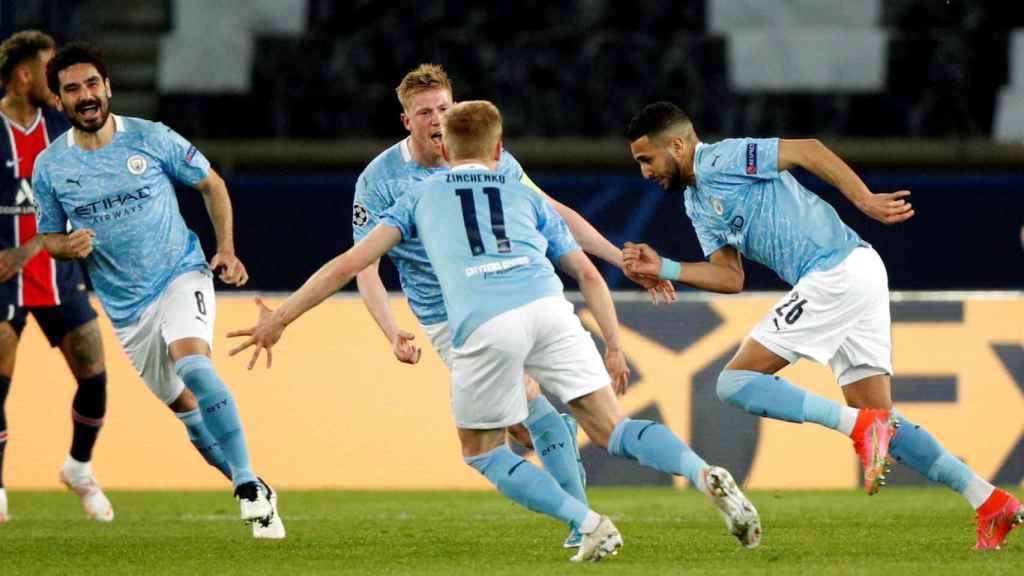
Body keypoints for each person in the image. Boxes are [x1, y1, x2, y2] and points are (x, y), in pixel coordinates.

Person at [229, 100, 761, 562]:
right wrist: (616, 338)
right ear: (499, 145)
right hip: (550, 309)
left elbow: (349, 265)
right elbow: (587, 272)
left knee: (484, 451)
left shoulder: (418, 195)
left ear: (447, 146)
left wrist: (280, 318)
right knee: (612, 429)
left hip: (485, 322)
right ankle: (700, 471)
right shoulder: (521, 190)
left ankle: (588, 523)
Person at [621, 101, 1023, 550]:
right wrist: (668, 268)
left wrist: (866, 199)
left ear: (676, 145)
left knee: (735, 382)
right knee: (882, 420)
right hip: (858, 272)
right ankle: (991, 503)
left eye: (647, 160)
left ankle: (858, 427)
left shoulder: (722, 158)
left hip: (835, 271)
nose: (644, 172)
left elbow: (808, 150)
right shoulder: (697, 203)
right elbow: (730, 277)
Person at [352, 63, 674, 548]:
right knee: (523, 422)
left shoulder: (489, 157)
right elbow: (364, 266)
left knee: (523, 413)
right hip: (447, 316)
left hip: (508, 294)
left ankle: (581, 524)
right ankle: (578, 508)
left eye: (444, 107)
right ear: (407, 122)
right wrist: (390, 328)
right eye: (424, 113)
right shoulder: (380, 181)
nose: (437, 118)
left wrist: (617, 256)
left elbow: (554, 213)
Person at [31, 42, 283, 538]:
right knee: (189, 414)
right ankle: (249, 483)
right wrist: (68, 245)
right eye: (72, 89)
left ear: (107, 87)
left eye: (91, 84)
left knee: (193, 362)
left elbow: (211, 184)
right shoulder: (50, 167)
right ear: (58, 101)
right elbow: (48, 237)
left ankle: (250, 486)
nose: (85, 96)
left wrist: (225, 249)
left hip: (179, 274)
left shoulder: (151, 138)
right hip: (127, 310)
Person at [0, 30, 110, 523]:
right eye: (47, 71)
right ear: (25, 75)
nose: (56, 81)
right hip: (2, 280)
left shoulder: (62, 133)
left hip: (55, 273)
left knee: (93, 371)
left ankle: (79, 467)